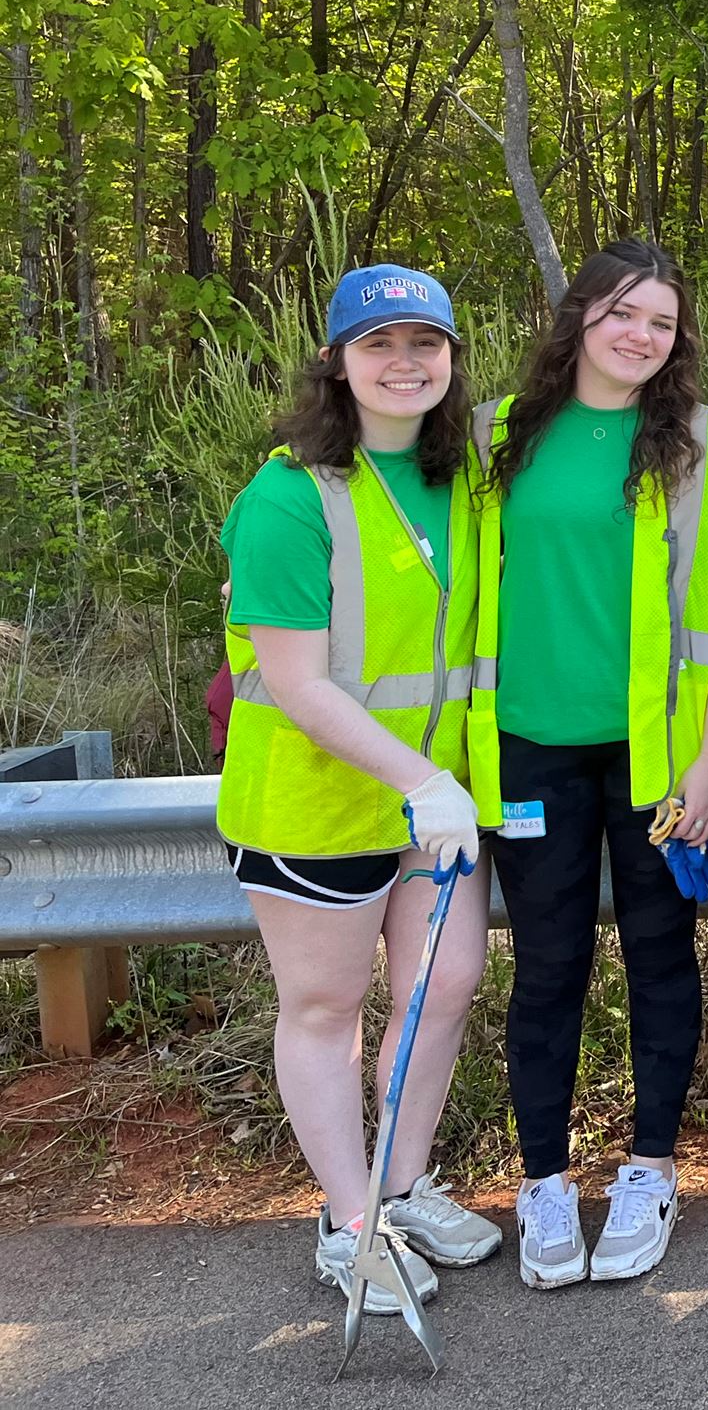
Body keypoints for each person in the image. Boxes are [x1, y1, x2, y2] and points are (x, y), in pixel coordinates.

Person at [466, 239, 708, 1289]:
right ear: (578, 315)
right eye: (621, 314)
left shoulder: (706, 443)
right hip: (527, 753)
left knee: (659, 960)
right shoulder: (496, 435)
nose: (640, 336)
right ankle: (543, 1184)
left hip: (658, 768)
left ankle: (647, 1171)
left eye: (661, 321)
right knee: (547, 969)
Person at [215, 264, 498, 1310]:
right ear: (336, 361)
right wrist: (424, 776)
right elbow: (292, 680)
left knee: (447, 986)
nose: (405, 362)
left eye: (426, 343)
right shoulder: (288, 495)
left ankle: (404, 1182)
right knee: (327, 1010)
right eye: (380, 345)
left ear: (452, 359)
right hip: (315, 803)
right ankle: (347, 1223)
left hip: (431, 804)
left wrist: (440, 783)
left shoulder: (464, 476)